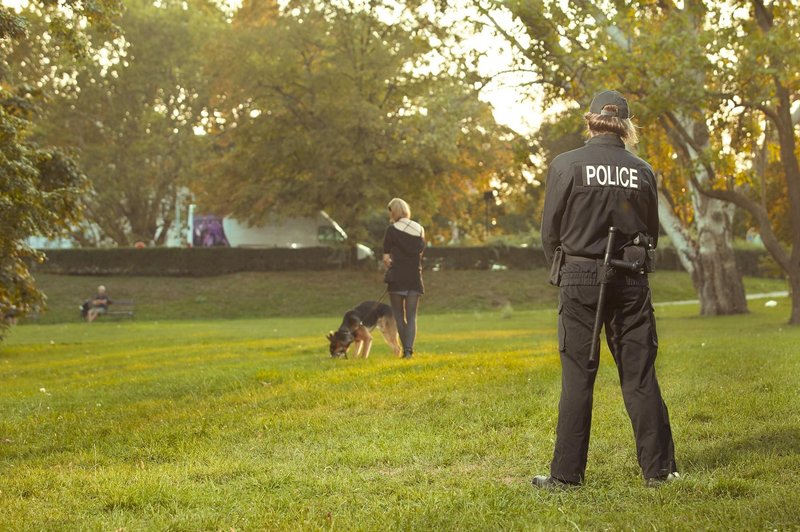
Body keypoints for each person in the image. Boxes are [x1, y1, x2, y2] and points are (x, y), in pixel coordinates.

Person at [534, 90, 678, 488]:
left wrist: (568, 268)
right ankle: (660, 472)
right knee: (640, 375)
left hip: (580, 278)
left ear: (592, 120)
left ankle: (565, 477)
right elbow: (651, 232)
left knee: (578, 376)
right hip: (631, 279)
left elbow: (550, 232)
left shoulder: (566, 165)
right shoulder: (642, 170)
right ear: (627, 125)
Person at [383, 197, 425, 359]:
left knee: (399, 316)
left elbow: (386, 259)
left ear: (394, 211)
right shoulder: (420, 229)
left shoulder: (391, 230)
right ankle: (409, 350)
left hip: (397, 278)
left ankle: (406, 352)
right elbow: (420, 253)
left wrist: (390, 263)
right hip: (414, 276)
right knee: (412, 315)